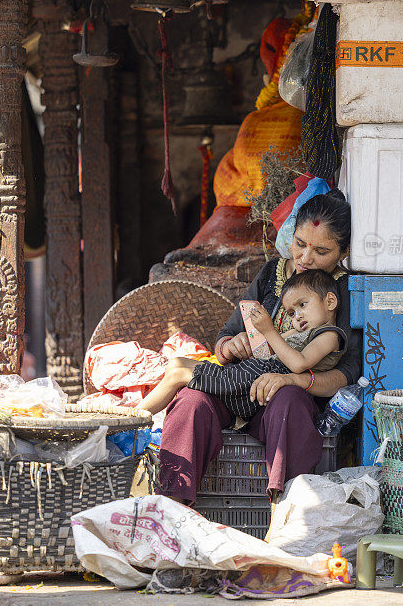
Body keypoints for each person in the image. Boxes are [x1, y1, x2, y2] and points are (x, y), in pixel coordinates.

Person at [157, 189, 362, 505]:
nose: (306, 258)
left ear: (343, 252)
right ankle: (172, 506)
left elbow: (347, 373)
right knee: (191, 401)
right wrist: (230, 346)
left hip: (288, 402)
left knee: (289, 401)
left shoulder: (343, 292)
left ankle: (284, 514)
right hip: (240, 387)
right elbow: (227, 333)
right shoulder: (272, 274)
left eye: (321, 251)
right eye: (300, 244)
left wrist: (292, 379)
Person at [138, 269, 348, 420]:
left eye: (303, 305)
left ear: (330, 302)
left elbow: (299, 364)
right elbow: (269, 346)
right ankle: (131, 416)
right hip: (250, 373)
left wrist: (269, 330)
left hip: (254, 385)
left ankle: (132, 420)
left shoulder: (329, 335)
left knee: (178, 374)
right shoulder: (303, 330)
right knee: (176, 364)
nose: (297, 315)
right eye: (291, 313)